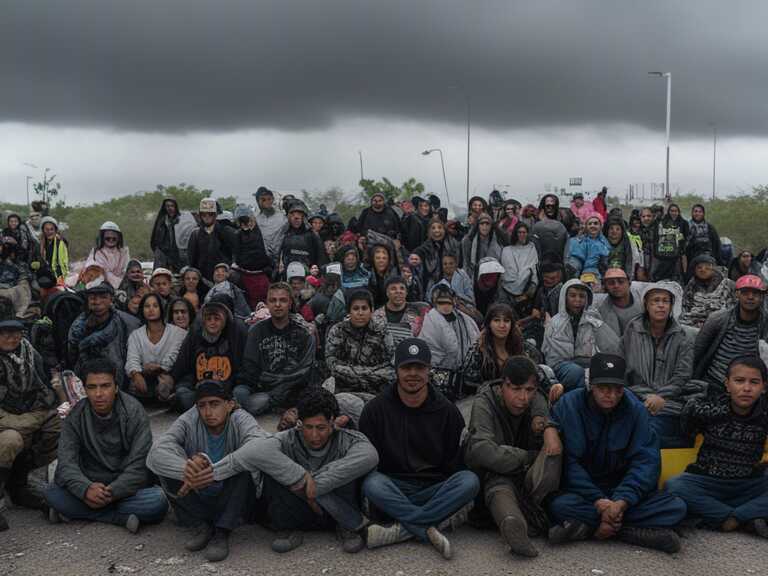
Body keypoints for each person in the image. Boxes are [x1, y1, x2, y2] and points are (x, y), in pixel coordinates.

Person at [547, 353, 687, 553]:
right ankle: (629, 532)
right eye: (604, 388)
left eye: (617, 389)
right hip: (584, 491)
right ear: (591, 386)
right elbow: (569, 464)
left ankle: (592, 529)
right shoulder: (570, 405)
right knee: (559, 505)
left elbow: (646, 462)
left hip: (622, 491)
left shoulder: (636, 410)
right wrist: (598, 501)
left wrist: (622, 500)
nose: (611, 395)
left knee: (676, 507)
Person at [360, 338, 479, 558]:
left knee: (469, 481)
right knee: (372, 484)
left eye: (419, 367)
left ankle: (401, 529)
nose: (413, 373)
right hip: (393, 486)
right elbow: (368, 462)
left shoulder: (447, 411)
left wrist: (446, 490)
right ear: (396, 370)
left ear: (429, 370)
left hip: (434, 488)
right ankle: (430, 525)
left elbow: (455, 464)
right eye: (406, 367)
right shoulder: (375, 409)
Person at [147, 380, 269, 562]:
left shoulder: (241, 418)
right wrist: (187, 470)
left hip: (233, 500)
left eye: (215, 404)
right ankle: (201, 525)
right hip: (198, 493)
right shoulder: (190, 418)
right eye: (202, 405)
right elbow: (155, 453)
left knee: (244, 469)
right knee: (165, 466)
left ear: (230, 405)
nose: (208, 412)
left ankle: (221, 532)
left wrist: (214, 472)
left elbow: (259, 447)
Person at [45, 358, 167, 531]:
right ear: (85, 389)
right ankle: (118, 518)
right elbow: (66, 463)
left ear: (116, 387)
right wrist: (86, 489)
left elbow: (139, 466)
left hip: (125, 488)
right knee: (52, 493)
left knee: (158, 500)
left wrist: (112, 493)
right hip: (90, 483)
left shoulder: (134, 412)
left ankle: (80, 512)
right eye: (92, 387)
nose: (99, 394)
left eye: (105, 386)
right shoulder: (76, 416)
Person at [464, 356, 563, 556]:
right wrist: (526, 457)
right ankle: (514, 525)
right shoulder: (485, 402)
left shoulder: (537, 402)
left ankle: (527, 515)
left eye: (528, 390)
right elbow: (482, 449)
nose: (523, 398)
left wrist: (549, 427)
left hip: (530, 479)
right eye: (515, 389)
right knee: (499, 485)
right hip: (495, 473)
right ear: (503, 386)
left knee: (555, 451)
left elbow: (542, 402)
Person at [259, 388, 378, 553]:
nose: (314, 436)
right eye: (308, 427)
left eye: (321, 428)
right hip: (299, 507)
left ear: (333, 421)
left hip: (338, 508)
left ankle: (345, 526)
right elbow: (257, 452)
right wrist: (300, 479)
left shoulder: (348, 440)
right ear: (300, 423)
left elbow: (369, 456)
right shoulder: (288, 439)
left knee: (347, 468)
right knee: (274, 466)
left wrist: (314, 485)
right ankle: (288, 528)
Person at [665, 356, 768, 536]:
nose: (746, 388)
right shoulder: (710, 408)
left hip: (748, 483)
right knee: (674, 486)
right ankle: (742, 517)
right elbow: (686, 429)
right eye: (739, 381)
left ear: (764, 387)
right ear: (727, 385)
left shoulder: (764, 414)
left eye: (754, 382)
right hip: (707, 482)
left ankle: (730, 518)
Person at [0, 315, 60, 531]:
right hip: (6, 420)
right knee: (11, 440)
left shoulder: (28, 352)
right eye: (5, 333)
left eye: (16, 332)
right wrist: (25, 421)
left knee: (58, 427)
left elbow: (43, 387)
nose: (12, 338)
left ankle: (19, 484)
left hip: (28, 414)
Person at [621, 283, 694, 448]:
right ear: (646, 305)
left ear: (671, 306)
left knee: (648, 431)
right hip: (637, 397)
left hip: (671, 401)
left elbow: (682, 375)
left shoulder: (683, 336)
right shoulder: (632, 329)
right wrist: (648, 397)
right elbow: (624, 367)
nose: (661, 305)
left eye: (665, 301)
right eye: (655, 301)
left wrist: (660, 396)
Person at [241, 282, 316, 415]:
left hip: (294, 389)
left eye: (283, 300)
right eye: (273, 300)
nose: (277, 304)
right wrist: (268, 386)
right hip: (264, 389)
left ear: (290, 303)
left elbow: (305, 370)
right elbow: (250, 366)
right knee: (245, 398)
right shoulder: (256, 331)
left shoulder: (304, 333)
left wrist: (283, 387)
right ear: (267, 303)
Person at [170, 294, 248, 412]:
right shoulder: (195, 332)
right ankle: (212, 408)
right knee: (182, 392)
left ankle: (218, 407)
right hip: (200, 388)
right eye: (208, 318)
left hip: (229, 388)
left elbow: (245, 367)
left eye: (217, 318)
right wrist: (170, 381)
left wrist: (229, 387)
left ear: (226, 317)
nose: (212, 322)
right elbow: (183, 363)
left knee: (241, 393)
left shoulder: (238, 332)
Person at [694, 274, 768, 395]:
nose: (750, 297)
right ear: (737, 294)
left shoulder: (765, 323)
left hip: (749, 388)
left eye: (755, 293)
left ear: (762, 297)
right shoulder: (717, 319)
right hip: (714, 383)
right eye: (745, 293)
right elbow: (697, 353)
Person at [542, 279, 619, 394]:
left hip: (589, 362)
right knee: (577, 372)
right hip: (562, 365)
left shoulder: (593, 319)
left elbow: (611, 344)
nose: (577, 300)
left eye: (582, 296)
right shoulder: (555, 323)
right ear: (565, 298)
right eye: (573, 295)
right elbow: (555, 357)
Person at [68, 282, 141, 391]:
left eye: (103, 297)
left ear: (111, 300)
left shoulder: (127, 323)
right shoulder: (77, 327)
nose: (97, 302)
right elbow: (72, 354)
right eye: (93, 298)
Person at [325, 289, 394, 394]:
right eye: (356, 308)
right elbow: (332, 363)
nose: (360, 313)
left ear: (372, 310)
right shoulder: (338, 330)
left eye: (364, 308)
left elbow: (390, 365)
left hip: (376, 389)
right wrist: (367, 374)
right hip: (344, 388)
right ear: (349, 311)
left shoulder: (382, 330)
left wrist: (356, 373)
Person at [125, 293, 187, 401]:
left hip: (169, 375)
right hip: (145, 376)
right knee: (133, 385)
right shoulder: (136, 335)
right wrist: (136, 374)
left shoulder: (178, 333)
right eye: (147, 306)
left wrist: (159, 368)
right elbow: (132, 359)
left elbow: (173, 357)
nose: (151, 309)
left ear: (161, 309)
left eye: (155, 306)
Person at [462, 303, 532, 394]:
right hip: (486, 399)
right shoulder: (478, 350)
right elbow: (469, 383)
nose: (502, 325)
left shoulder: (520, 346)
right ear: (489, 324)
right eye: (496, 320)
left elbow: (534, 372)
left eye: (506, 321)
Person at [420, 281, 480, 375]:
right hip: (438, 372)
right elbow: (430, 348)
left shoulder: (465, 319)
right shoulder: (430, 319)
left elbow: (475, 340)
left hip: (465, 372)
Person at [187, 197, 237, 282]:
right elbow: (192, 261)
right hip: (203, 280)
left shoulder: (227, 231)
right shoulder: (195, 234)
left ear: (216, 214)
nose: (207, 217)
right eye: (203, 214)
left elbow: (235, 255)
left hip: (224, 279)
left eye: (210, 214)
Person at [232, 204, 272, 308]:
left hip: (263, 274)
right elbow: (237, 256)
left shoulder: (262, 231)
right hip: (245, 276)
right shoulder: (237, 235)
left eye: (247, 219)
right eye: (242, 221)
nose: (245, 223)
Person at [680, 254, 735, 329]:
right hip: (694, 323)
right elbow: (685, 307)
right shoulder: (691, 285)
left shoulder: (727, 284)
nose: (703, 270)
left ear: (714, 268)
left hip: (720, 323)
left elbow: (733, 307)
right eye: (699, 267)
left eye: (707, 267)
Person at [371, 276, 427, 346]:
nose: (398, 291)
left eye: (402, 288)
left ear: (406, 292)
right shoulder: (376, 316)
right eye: (393, 288)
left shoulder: (419, 312)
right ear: (387, 293)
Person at [497, 222, 538, 316]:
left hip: (524, 291)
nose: (522, 235)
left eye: (524, 232)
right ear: (515, 233)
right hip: (506, 289)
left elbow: (534, 270)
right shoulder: (507, 250)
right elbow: (504, 271)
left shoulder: (531, 248)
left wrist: (528, 292)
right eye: (519, 232)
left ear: (527, 234)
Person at [279, 200, 327, 271]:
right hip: (288, 273)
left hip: (308, 274)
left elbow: (321, 257)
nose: (296, 218)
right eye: (293, 214)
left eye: (299, 214)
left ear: (303, 217)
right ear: (289, 217)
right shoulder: (283, 233)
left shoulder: (313, 235)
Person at [414, 217, 462, 289]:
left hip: (453, 283)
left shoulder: (454, 244)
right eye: (433, 228)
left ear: (444, 230)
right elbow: (415, 256)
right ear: (429, 232)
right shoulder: (424, 248)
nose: (436, 230)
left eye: (439, 227)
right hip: (432, 286)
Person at [645, 205, 687, 283]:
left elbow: (685, 238)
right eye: (672, 211)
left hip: (676, 256)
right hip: (659, 256)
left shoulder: (683, 223)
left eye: (675, 211)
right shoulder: (656, 223)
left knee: (675, 278)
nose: (657, 215)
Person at [597, 268, 644, 336]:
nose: (616, 286)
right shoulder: (602, 309)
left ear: (629, 283)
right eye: (611, 283)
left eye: (621, 281)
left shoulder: (642, 296)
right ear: (605, 287)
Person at [87, 221, 130, 290]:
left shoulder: (124, 251)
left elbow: (126, 269)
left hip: (122, 285)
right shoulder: (96, 252)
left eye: (114, 238)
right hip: (101, 285)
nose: (111, 240)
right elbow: (96, 270)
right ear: (102, 237)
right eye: (108, 238)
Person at [461, 212, 503, 282]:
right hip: (474, 276)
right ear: (478, 225)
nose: (485, 226)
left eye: (487, 224)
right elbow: (466, 262)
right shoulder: (468, 241)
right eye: (482, 224)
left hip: (492, 276)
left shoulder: (498, 240)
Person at [568, 215, 610, 279]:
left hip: (599, 275)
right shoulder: (581, 241)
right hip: (582, 273)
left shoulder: (605, 242)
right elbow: (576, 258)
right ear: (586, 227)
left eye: (595, 223)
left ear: (600, 226)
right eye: (590, 224)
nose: (592, 226)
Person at [254, 187, 287, 267]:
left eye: (269, 199)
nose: (267, 202)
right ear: (258, 201)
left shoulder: (282, 218)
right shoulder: (256, 219)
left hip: (280, 260)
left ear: (273, 200)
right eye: (263, 199)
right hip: (261, 260)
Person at [0, 237, 32, 319]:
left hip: (13, 288)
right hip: (4, 288)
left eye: (10, 247)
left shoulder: (19, 264)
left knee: (22, 289)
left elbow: (24, 277)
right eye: (5, 247)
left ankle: (19, 314)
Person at [532, 194, 569, 264]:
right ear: (543, 207)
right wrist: (542, 222)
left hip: (559, 256)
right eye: (547, 206)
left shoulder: (563, 219)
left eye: (553, 206)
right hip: (541, 257)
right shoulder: (536, 219)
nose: (550, 208)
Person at [150, 197, 183, 272]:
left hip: (177, 254)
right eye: (167, 206)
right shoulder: (161, 221)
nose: (170, 208)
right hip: (162, 253)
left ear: (175, 207)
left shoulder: (180, 221)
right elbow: (154, 238)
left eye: (172, 206)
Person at [36, 216, 69, 290]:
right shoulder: (39, 243)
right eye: (47, 229)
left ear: (55, 230)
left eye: (51, 229)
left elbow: (62, 263)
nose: (49, 232)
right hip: (43, 274)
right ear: (43, 230)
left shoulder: (60, 243)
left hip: (57, 276)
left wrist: (60, 278)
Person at [367, 241, 399, 309]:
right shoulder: (367, 275)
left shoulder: (395, 275)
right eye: (378, 258)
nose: (381, 261)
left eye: (384, 258)